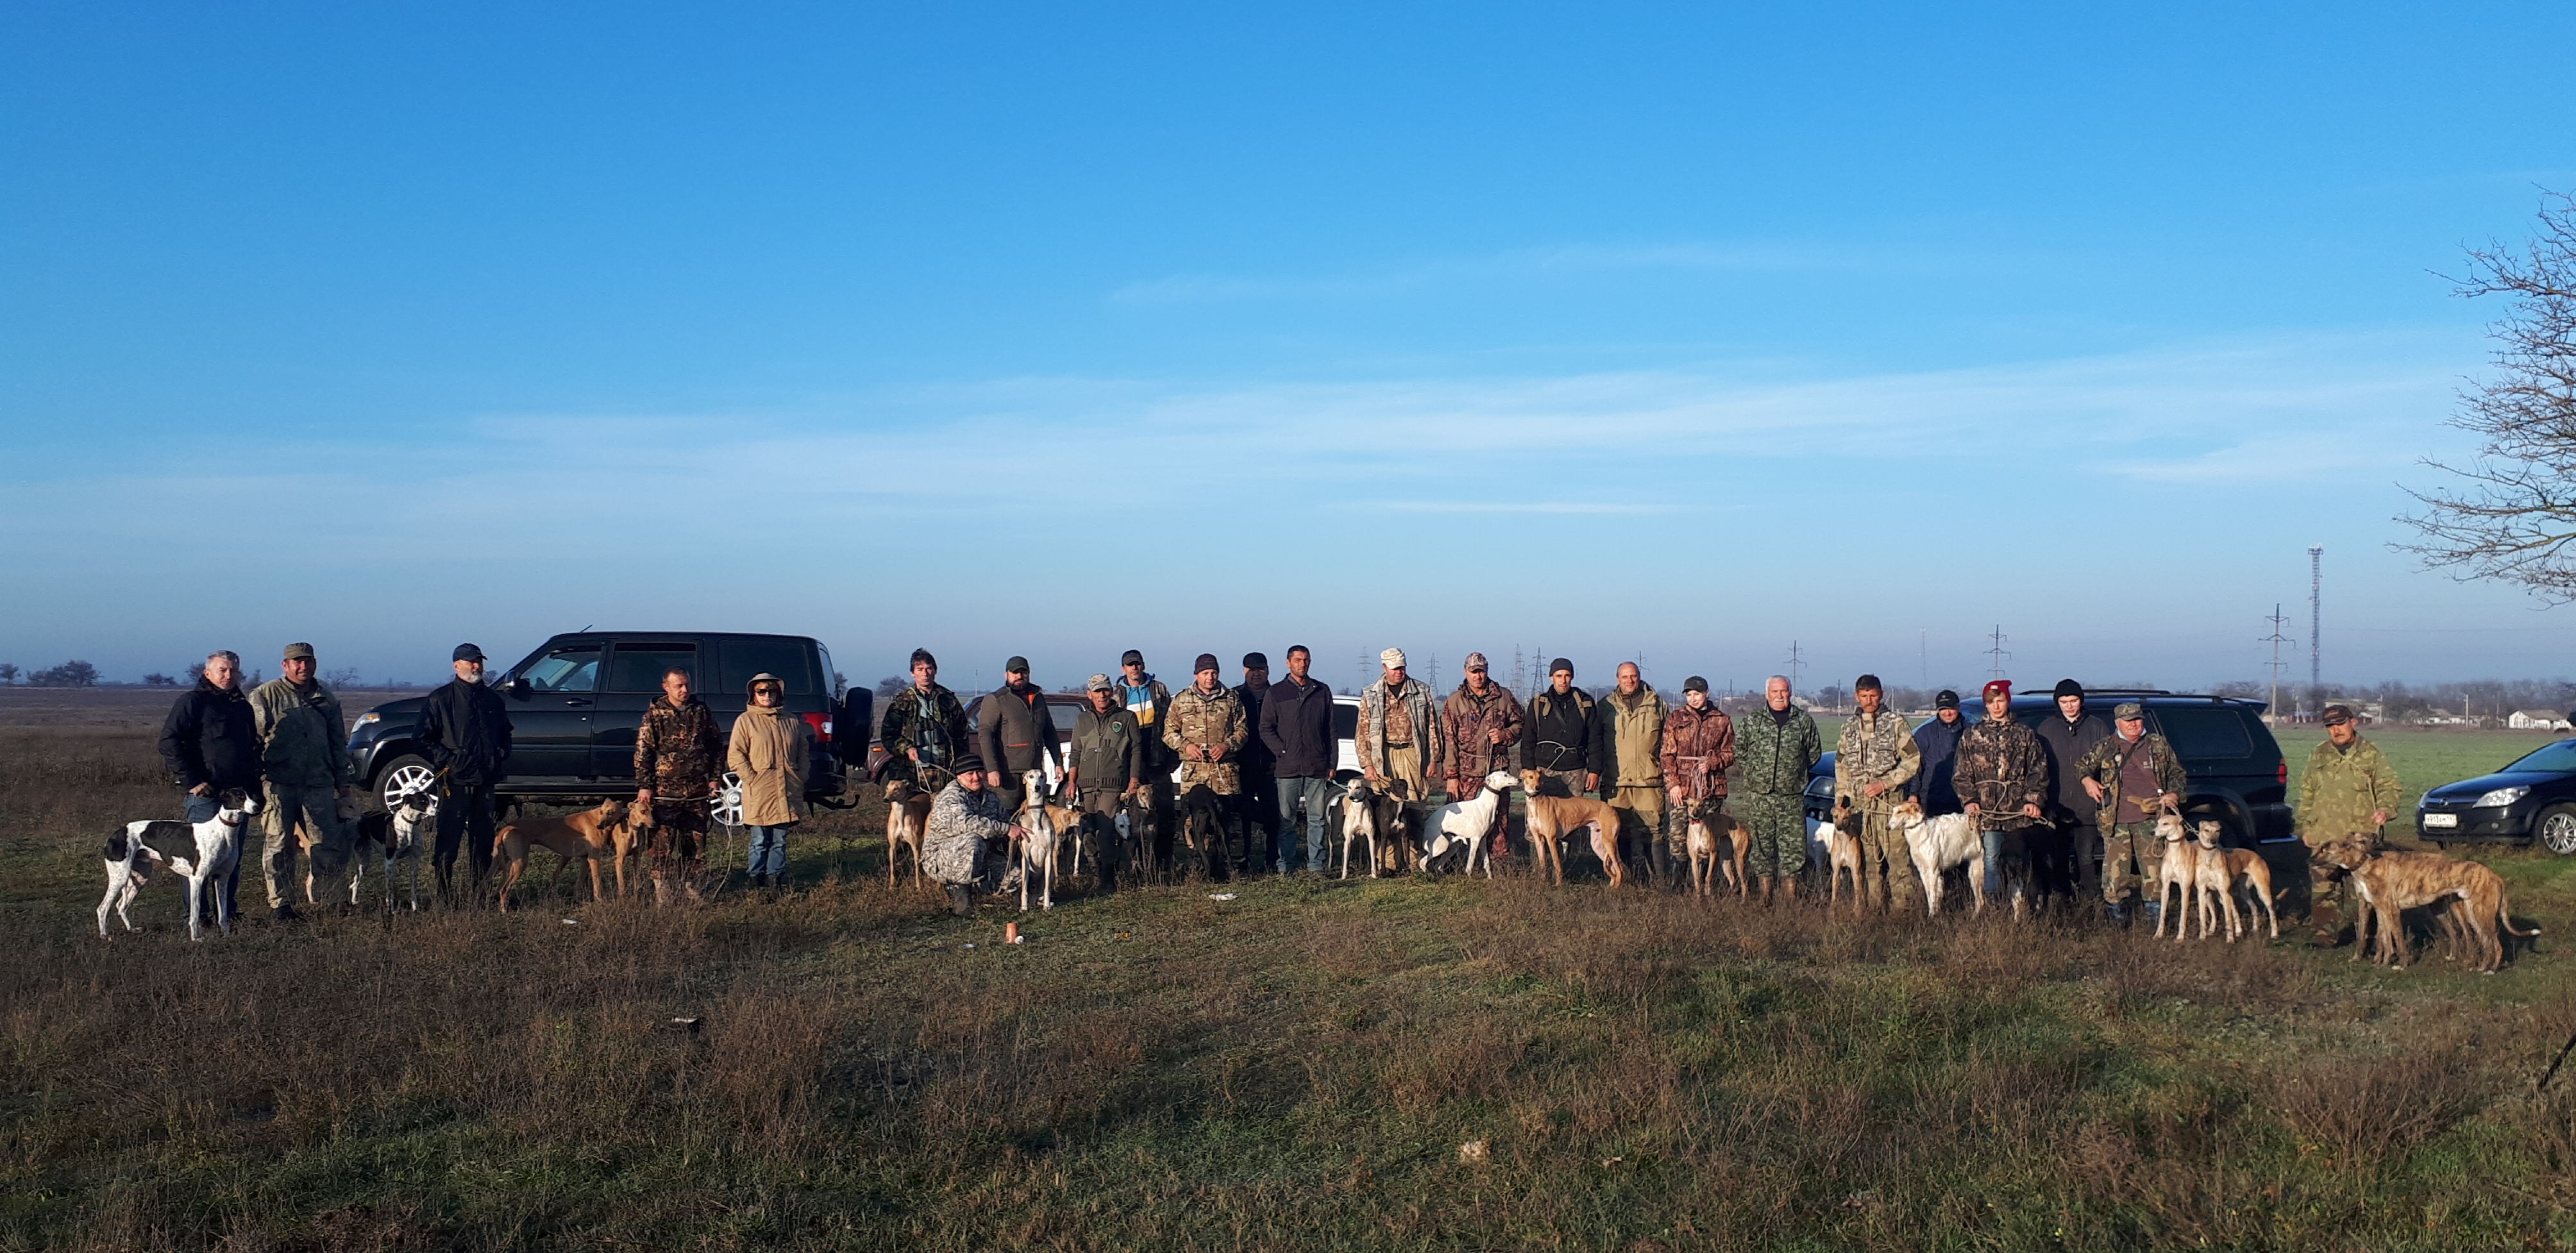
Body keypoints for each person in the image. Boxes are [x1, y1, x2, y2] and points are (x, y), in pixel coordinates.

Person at [247, 642, 353, 921]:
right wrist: (254, 780)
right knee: (279, 844)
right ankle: (281, 904)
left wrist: (343, 782)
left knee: (327, 843)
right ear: (285, 665)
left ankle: (329, 900)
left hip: (319, 781)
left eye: (308, 661)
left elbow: (337, 743)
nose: (303, 667)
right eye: (297, 662)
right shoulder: (265, 695)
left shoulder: (326, 698)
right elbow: (253, 740)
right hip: (278, 782)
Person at [158, 650, 260, 925]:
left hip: (238, 797)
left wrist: (254, 787)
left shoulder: (242, 706)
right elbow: (169, 742)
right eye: (222, 670)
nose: (228, 675)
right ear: (207, 673)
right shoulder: (192, 702)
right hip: (207, 796)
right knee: (199, 862)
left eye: (233, 671)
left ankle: (226, 916)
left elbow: (251, 748)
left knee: (230, 859)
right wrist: (192, 781)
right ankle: (198, 917)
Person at [2296, 703, 2402, 946]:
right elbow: (2307, 791)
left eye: (2340, 724)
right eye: (2330, 726)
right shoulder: (2319, 754)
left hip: (2359, 836)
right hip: (2325, 833)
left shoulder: (2371, 754)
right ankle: (2324, 936)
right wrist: (2307, 825)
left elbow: (2389, 786)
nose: (2336, 730)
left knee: (2366, 889)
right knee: (2324, 887)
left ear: (2353, 722)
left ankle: (2370, 938)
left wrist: (2385, 810)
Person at [416, 643, 513, 905]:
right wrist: (451, 761)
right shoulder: (440, 699)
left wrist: (499, 754)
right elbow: (422, 739)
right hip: (454, 781)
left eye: (479, 661)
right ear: (456, 666)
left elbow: (506, 733)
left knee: (484, 839)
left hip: (485, 779)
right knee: (449, 837)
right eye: (471, 662)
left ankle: (479, 894)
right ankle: (444, 895)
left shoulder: (493, 700)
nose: (477, 666)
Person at [2073, 702, 2186, 923]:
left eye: (2137, 719)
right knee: (2115, 874)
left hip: (2152, 820)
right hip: (2116, 820)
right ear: (2118, 723)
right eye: (2128, 721)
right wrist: (2088, 782)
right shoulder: (2106, 746)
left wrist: (2174, 794)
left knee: (2154, 871)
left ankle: (2156, 918)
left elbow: (2177, 773)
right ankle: (2117, 919)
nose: (2133, 724)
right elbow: (2082, 766)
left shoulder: (2157, 745)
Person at [1953, 680, 2050, 910]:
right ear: (1986, 705)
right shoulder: (1972, 735)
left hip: (2017, 813)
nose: (1996, 706)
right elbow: (1961, 774)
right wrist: (1970, 801)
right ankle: (1993, 908)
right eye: (1991, 702)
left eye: (2000, 701)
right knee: (1990, 859)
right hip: (1987, 812)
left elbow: (2038, 770)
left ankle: (2022, 907)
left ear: (2008, 701)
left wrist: (2033, 800)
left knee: (2018, 860)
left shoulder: (2024, 734)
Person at [634, 665, 723, 907]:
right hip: (665, 792)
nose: (684, 690)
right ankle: (663, 892)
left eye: (687, 685)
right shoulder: (654, 716)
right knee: (661, 843)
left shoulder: (701, 712)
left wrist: (715, 778)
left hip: (697, 791)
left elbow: (716, 746)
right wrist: (645, 785)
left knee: (695, 842)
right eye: (678, 686)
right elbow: (644, 753)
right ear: (666, 687)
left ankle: (691, 888)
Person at [1834, 674, 1923, 913]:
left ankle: (1902, 912)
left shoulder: (1895, 723)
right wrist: (1840, 800)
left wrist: (1885, 783)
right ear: (1857, 696)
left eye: (1873, 695)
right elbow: (1841, 765)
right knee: (1868, 862)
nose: (1869, 700)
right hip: (1860, 806)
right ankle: (1873, 910)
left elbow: (1913, 759)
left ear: (1881, 695)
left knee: (1897, 860)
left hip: (1889, 804)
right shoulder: (1849, 727)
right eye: (1864, 696)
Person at [1735, 676, 1821, 904]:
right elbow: (1739, 751)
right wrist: (1755, 773)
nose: (1780, 696)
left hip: (1791, 797)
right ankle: (1766, 897)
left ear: (1790, 693)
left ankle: (1790, 899)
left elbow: (1814, 754)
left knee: (1793, 848)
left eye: (1784, 691)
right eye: (1775, 692)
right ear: (1767, 694)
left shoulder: (1803, 721)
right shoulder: (1753, 721)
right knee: (1762, 847)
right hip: (1761, 796)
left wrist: (1793, 774)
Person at [728, 671, 811, 897]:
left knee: (779, 840)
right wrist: (751, 778)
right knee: (759, 839)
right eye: (761, 691)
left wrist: (802, 775)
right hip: (759, 791)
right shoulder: (746, 721)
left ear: (779, 694)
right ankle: (756, 879)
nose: (767, 695)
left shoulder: (791, 721)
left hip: (786, 789)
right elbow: (736, 754)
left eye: (771, 691)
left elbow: (803, 750)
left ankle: (776, 880)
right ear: (753, 694)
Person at [1164, 653, 1249, 873]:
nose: (1210, 677)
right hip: (1195, 774)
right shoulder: (1182, 700)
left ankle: (1232, 868)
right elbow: (1168, 732)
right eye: (1205, 673)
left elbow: (1243, 730)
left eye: (1214, 673)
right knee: (1194, 823)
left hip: (1225, 773)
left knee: (1230, 822)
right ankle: (1199, 868)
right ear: (1196, 675)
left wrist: (1227, 746)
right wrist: (1185, 746)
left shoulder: (1231, 698)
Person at [2030, 678, 2112, 907]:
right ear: (2057, 703)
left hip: (2088, 804)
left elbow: (2108, 764)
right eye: (2064, 701)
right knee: (2059, 856)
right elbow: (2038, 765)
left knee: (2086, 856)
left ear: (2081, 701)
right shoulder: (2047, 728)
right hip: (2057, 804)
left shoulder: (2097, 726)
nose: (2069, 706)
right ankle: (2063, 901)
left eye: (2073, 701)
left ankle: (2090, 902)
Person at [1587, 662, 1669, 882]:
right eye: (1625, 677)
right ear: (1617, 679)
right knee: (1617, 831)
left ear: (1639, 677)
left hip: (1649, 781)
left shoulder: (1657, 704)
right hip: (1616, 781)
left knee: (1653, 830)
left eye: (1633, 676)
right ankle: (1628, 878)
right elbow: (1595, 742)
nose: (1629, 681)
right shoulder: (1605, 706)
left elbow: (1669, 742)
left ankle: (1660, 883)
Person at [1259, 644, 1338, 875]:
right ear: (1288, 663)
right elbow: (1265, 728)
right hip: (1287, 768)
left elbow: (1330, 729)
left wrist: (1332, 762)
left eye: (1306, 660)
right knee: (1286, 820)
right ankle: (1286, 865)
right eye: (1297, 660)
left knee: (1317, 820)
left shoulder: (1321, 691)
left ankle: (1316, 865)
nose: (1302, 664)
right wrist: (1282, 751)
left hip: (1317, 765)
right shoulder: (1276, 693)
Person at [1438, 653, 1522, 862]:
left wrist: (1505, 735)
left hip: (1496, 770)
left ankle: (1499, 863)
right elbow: (1449, 741)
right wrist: (1451, 776)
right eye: (1473, 672)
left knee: (1498, 818)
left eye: (1481, 671)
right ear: (1465, 672)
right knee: (1458, 818)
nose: (1478, 676)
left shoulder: (1504, 697)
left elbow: (1521, 724)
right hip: (1466, 772)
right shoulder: (1455, 702)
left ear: (1487, 671)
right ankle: (1453, 863)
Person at [1065, 674, 1143, 893]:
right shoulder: (1082, 720)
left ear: (1112, 692)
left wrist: (1134, 779)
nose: (1102, 695)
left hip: (1113, 785)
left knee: (1107, 831)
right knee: (1088, 833)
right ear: (1089, 694)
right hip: (1086, 786)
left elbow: (1136, 750)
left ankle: (1109, 879)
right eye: (1097, 691)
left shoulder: (1126, 717)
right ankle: (1095, 872)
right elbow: (1075, 753)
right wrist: (1071, 782)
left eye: (1106, 690)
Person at [1659, 677, 1735, 889]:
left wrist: (1712, 763)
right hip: (1682, 790)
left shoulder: (1722, 720)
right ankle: (1677, 885)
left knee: (1707, 839)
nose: (1693, 699)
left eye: (1697, 694)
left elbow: (1731, 753)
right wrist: (1672, 784)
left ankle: (1703, 886)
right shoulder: (1676, 718)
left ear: (1707, 694)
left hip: (1711, 789)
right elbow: (1667, 754)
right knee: (1678, 836)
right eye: (1689, 695)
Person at [922, 755, 1018, 916]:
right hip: (941, 858)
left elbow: (1004, 821)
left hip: (983, 856)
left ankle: (986, 888)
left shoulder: (990, 797)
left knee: (1019, 879)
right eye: (970, 773)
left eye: (979, 772)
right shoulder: (950, 797)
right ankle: (962, 901)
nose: (976, 777)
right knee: (972, 840)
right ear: (959, 776)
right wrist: (1006, 829)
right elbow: (966, 824)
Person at [1359, 648, 1443, 811]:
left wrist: (1434, 760)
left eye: (1402, 667)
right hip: (1383, 756)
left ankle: (1415, 828)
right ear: (1384, 668)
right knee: (1385, 803)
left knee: (1414, 800)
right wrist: (1367, 765)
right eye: (1394, 668)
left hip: (1412, 753)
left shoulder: (1421, 691)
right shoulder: (1370, 694)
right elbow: (1362, 733)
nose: (1399, 672)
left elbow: (1433, 728)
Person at [1118, 650, 1178, 877]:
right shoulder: (1117, 694)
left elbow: (1173, 722)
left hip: (1158, 761)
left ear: (1143, 666)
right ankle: (1132, 866)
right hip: (1130, 763)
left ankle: (1163, 865)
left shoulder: (1159, 689)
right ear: (1123, 669)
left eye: (1138, 664)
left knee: (1164, 811)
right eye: (1130, 665)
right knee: (1131, 816)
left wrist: (1173, 757)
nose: (1134, 668)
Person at [978, 656, 1063, 817]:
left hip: (1034, 772)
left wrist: (1058, 763)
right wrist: (992, 769)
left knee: (1033, 817)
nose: (1019, 676)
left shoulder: (1038, 698)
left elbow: (1049, 731)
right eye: (1015, 673)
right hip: (1008, 773)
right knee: (1006, 816)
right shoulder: (996, 700)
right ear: (1006, 674)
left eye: (1023, 672)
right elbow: (985, 734)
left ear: (1029, 673)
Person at [878, 648, 968, 788]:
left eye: (929, 668)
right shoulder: (902, 702)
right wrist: (907, 749)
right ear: (912, 673)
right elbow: (888, 735)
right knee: (912, 803)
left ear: (935, 671)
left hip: (944, 771)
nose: (925, 674)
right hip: (910, 771)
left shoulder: (949, 700)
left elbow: (962, 735)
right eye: (920, 669)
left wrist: (962, 766)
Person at [1520, 659, 1597, 799]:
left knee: (1574, 813)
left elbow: (1595, 739)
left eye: (1567, 676)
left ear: (1572, 677)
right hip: (1545, 771)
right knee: (1542, 813)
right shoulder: (1538, 704)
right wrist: (1528, 768)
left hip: (1575, 772)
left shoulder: (1585, 703)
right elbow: (1528, 739)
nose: (1563, 680)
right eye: (1559, 676)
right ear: (1552, 677)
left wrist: (1594, 770)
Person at [1234, 653, 1282, 874]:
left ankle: (1273, 861)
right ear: (1244, 671)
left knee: (1273, 817)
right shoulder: (1235, 697)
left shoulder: (1278, 695)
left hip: (1272, 767)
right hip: (1242, 767)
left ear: (1268, 671)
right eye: (1251, 670)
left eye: (1261, 669)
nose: (1256, 674)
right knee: (1242, 817)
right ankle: (1243, 862)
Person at [1911, 690, 1968, 816]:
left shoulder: (1970, 732)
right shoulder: (1924, 733)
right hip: (1931, 798)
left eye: (1951, 708)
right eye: (1943, 709)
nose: (1947, 713)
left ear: (1958, 707)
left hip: (1962, 799)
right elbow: (1916, 766)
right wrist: (1913, 794)